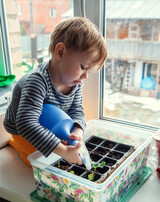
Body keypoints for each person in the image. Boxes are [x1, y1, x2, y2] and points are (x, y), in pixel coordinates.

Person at [3, 17, 107, 167]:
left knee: (56, 150)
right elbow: (26, 124)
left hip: (48, 122)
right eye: (84, 67)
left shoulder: (74, 82)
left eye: (90, 71)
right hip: (21, 129)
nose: (85, 76)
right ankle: (17, 145)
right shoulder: (37, 81)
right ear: (60, 52)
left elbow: (77, 111)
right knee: (39, 160)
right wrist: (63, 151)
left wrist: (77, 132)